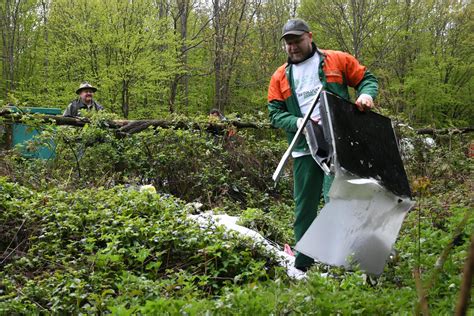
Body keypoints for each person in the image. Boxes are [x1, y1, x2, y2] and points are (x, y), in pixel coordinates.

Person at [267, 19, 378, 271]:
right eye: (288, 43)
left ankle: (343, 263)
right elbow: (274, 113)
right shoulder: (280, 76)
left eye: (297, 41)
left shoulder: (336, 60)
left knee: (337, 199)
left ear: (309, 36)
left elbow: (366, 78)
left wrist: (366, 95)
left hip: (339, 143)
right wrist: (298, 122)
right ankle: (302, 265)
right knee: (304, 206)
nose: (293, 47)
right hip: (304, 148)